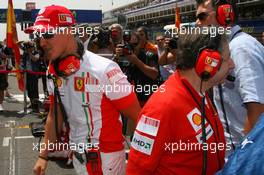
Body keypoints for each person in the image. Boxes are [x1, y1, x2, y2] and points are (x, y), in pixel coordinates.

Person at [24, 5, 141, 175]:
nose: (42, 42)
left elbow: (138, 117)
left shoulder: (105, 69)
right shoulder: (53, 70)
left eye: (48, 34)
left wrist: (141, 160)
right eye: (39, 35)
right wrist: (43, 155)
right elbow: (54, 114)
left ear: (68, 30)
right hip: (78, 158)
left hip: (106, 161)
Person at [126, 29, 235, 175]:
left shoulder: (200, 91)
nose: (232, 64)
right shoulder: (162, 107)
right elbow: (136, 170)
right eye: (227, 58)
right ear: (207, 62)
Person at [196, 0, 264, 155]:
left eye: (202, 16)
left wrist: (241, 160)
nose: (197, 23)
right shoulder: (227, 46)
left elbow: (257, 111)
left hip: (245, 156)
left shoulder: (241, 48)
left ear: (225, 14)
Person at [0, 43, 8, 112]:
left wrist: (3, 65)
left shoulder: (2, 50)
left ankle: (0, 104)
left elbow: (6, 58)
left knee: (1, 89)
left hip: (1, 72)